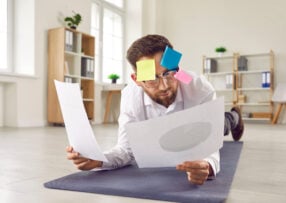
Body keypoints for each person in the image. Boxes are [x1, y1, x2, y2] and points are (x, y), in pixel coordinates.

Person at [66, 34, 244, 185]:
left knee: (222, 125)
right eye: (152, 79)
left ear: (176, 69)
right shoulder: (131, 96)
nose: (164, 86)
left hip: (193, 126)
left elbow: (209, 146)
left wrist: (207, 165)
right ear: (136, 79)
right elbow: (126, 150)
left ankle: (235, 116)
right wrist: (99, 160)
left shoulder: (198, 87)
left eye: (168, 73)